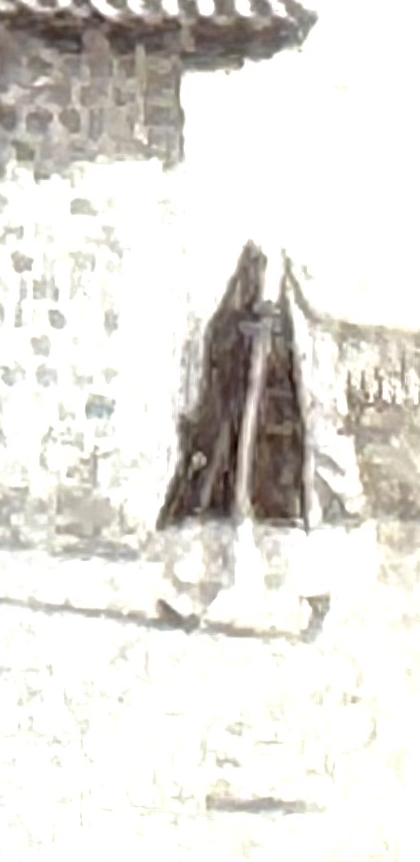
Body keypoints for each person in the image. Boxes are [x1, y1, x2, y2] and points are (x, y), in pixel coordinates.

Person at [155, 243, 373, 640]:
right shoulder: (239, 267)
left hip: (286, 402)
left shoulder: (302, 275)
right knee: (215, 495)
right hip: (236, 402)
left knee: (298, 505)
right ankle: (192, 598)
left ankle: (318, 603)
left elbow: (318, 325)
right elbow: (215, 320)